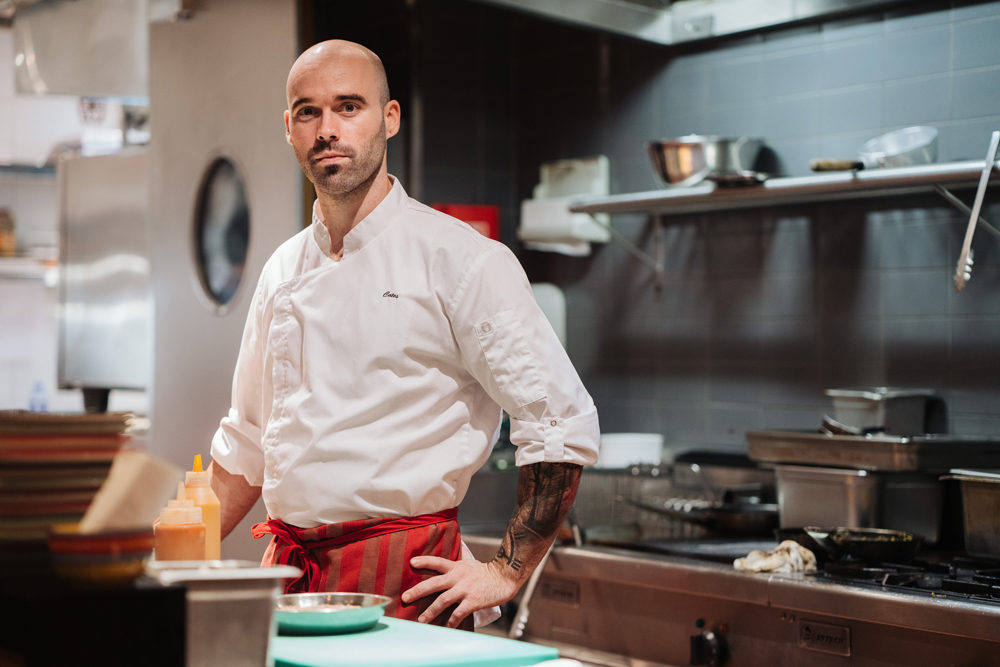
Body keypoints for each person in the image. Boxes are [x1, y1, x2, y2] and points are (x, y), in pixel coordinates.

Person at [208, 40, 599, 630]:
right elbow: (247, 443)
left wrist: (506, 570)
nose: (327, 129)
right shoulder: (281, 270)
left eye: (348, 106)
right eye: (309, 112)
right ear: (289, 129)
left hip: (411, 581)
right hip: (293, 579)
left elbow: (558, 423)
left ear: (389, 119)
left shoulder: (463, 260)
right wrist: (166, 565)